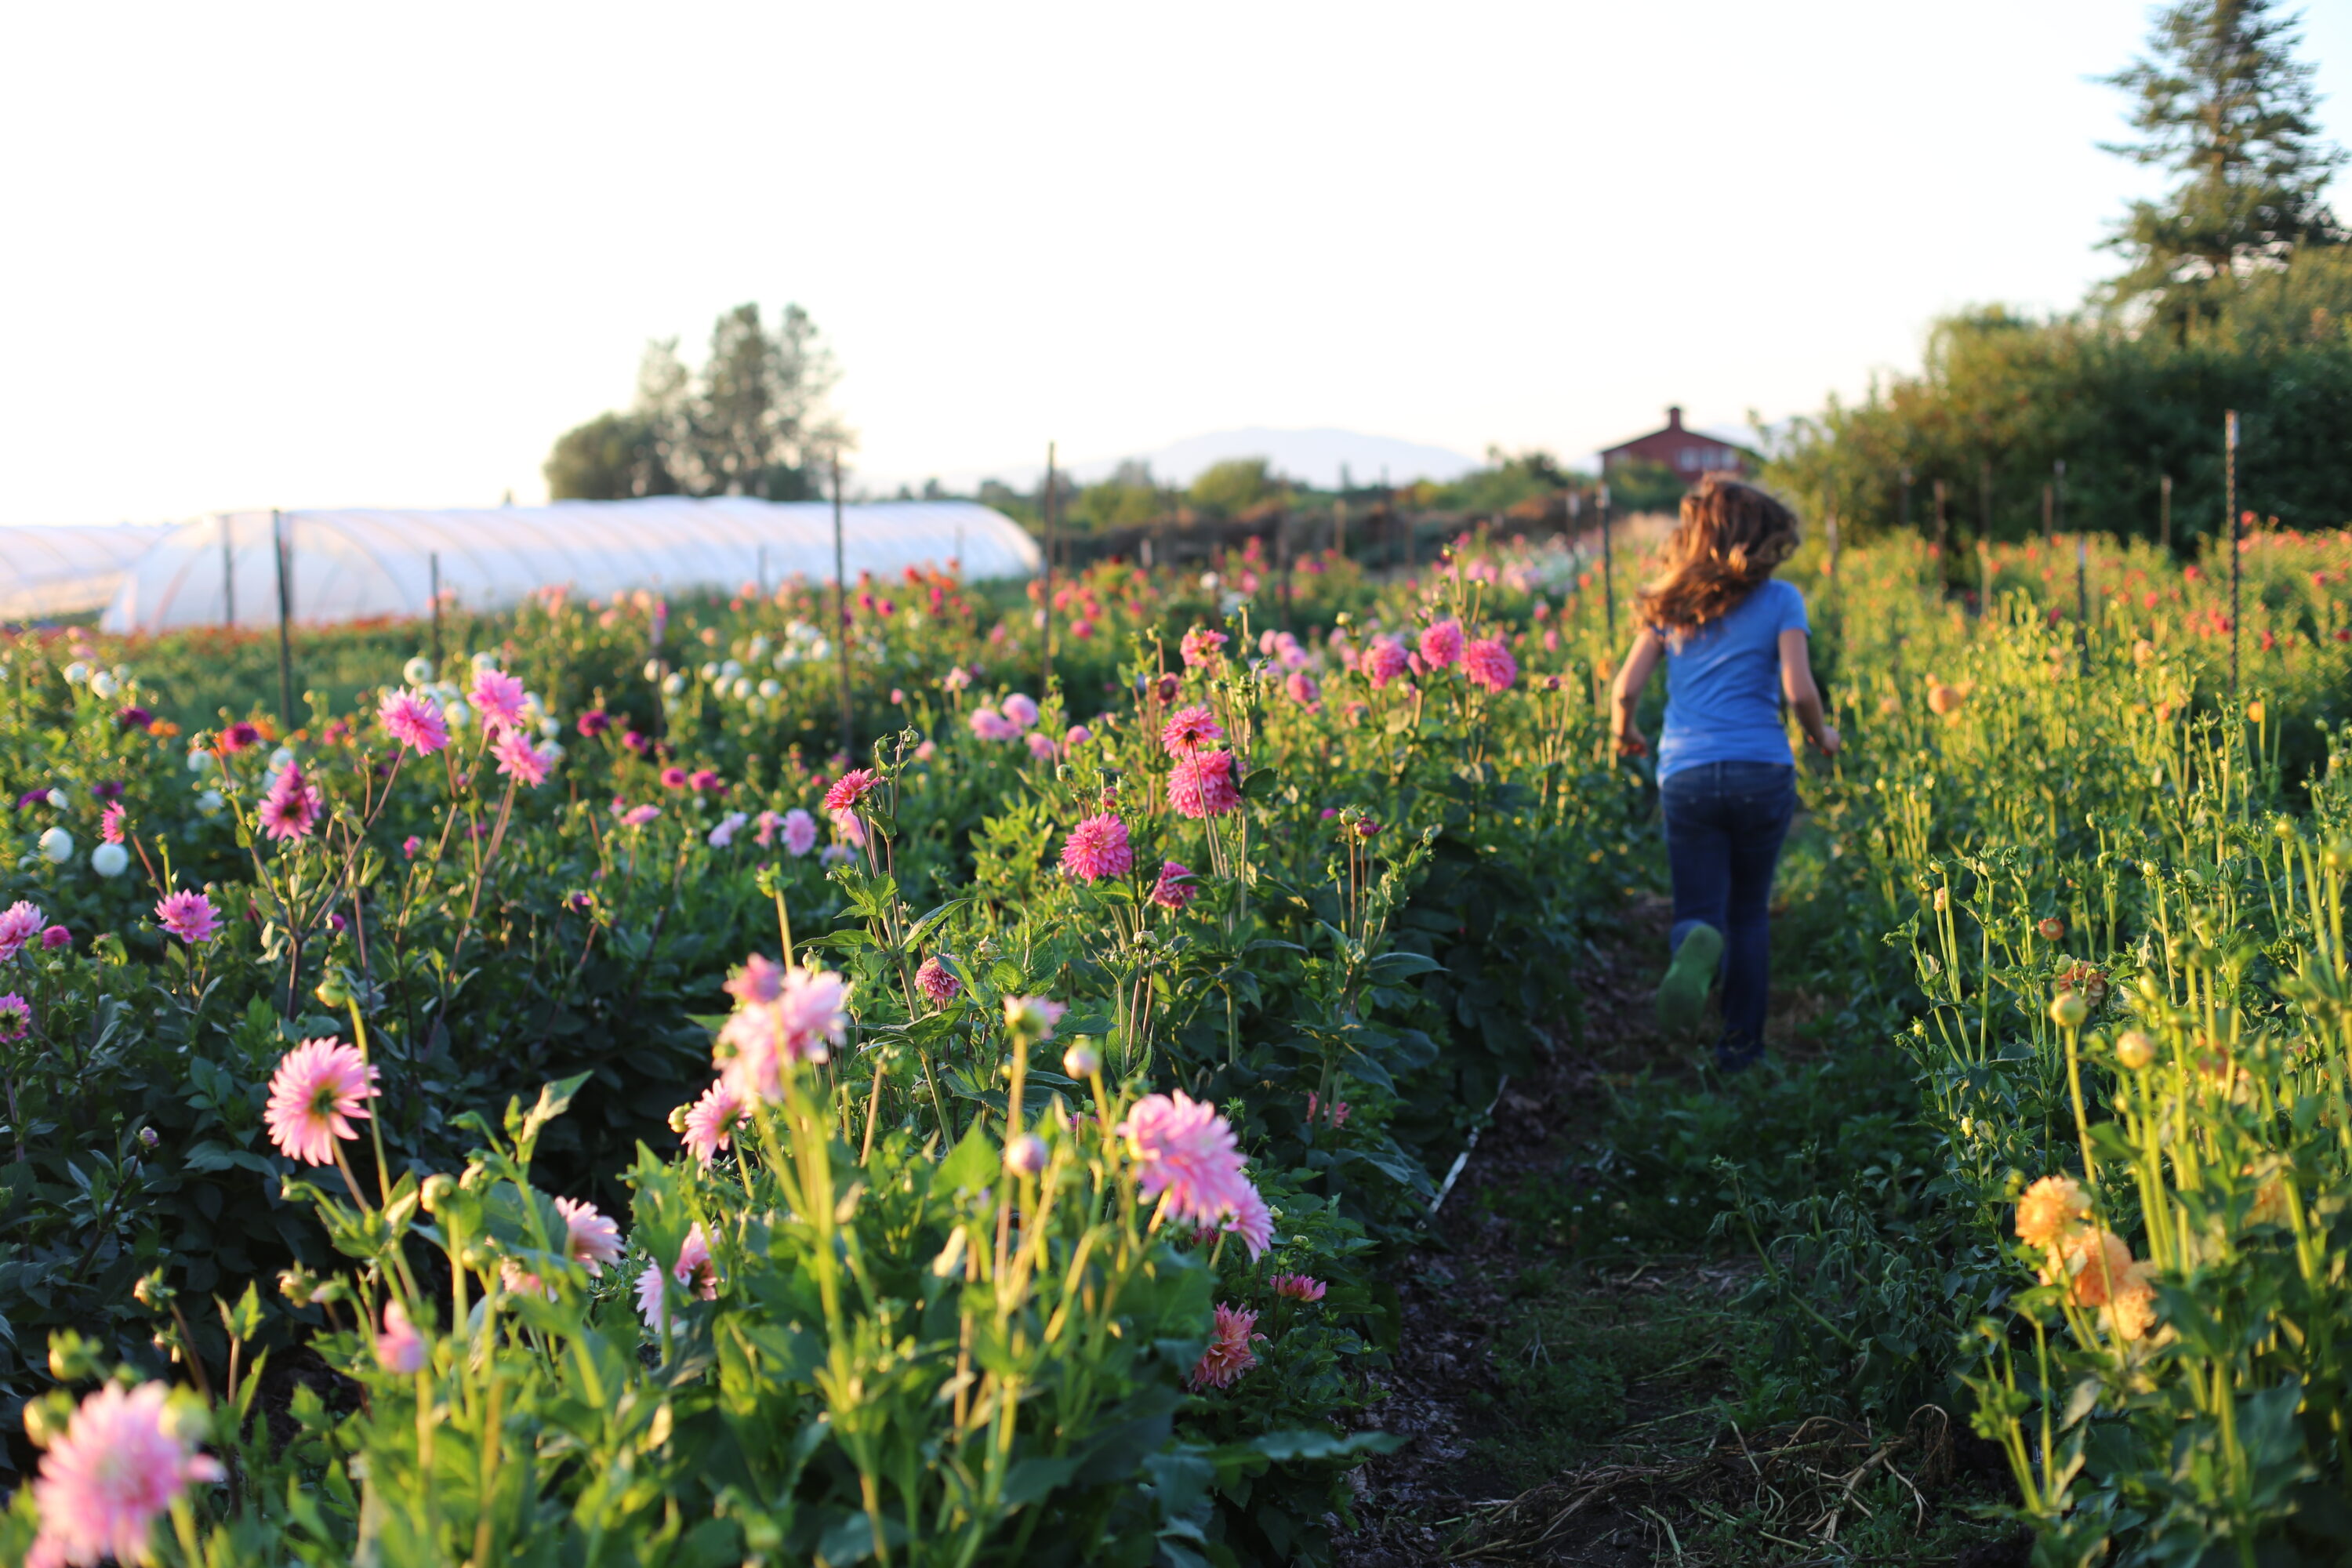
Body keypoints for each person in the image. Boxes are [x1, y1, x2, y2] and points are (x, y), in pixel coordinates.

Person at [1607, 475, 1839, 1072]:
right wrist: (1821, 735)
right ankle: (1741, 1048)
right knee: (1748, 913)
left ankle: (1691, 950)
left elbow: (1625, 687)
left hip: (1685, 771)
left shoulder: (1668, 602)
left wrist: (1624, 733)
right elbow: (1799, 689)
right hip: (1761, 769)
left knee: (1700, 907)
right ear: (1762, 540)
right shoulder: (1782, 598)